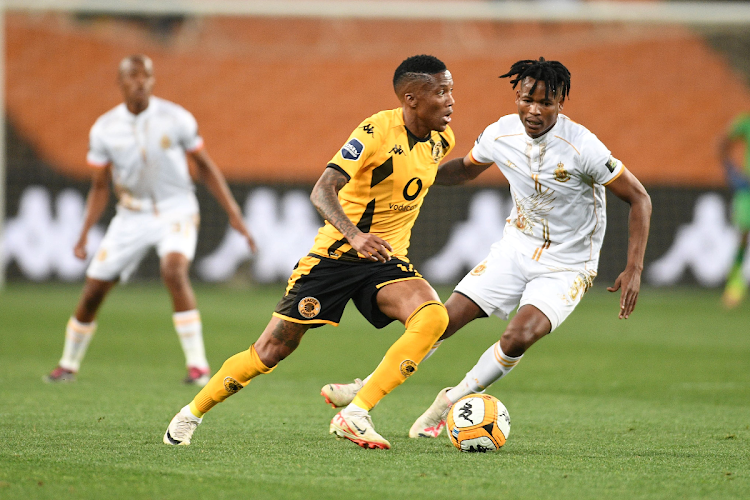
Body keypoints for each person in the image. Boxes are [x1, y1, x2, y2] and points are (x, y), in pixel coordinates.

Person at [320, 57, 652, 439]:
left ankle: (450, 402)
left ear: (561, 103)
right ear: (517, 95)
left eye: (546, 102)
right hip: (515, 249)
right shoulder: (501, 133)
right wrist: (406, 175)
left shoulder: (583, 147)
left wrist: (634, 268)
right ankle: (366, 387)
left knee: (519, 336)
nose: (534, 110)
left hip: (568, 264)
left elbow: (639, 198)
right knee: (439, 322)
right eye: (527, 99)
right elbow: (463, 169)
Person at [162, 54, 455, 450]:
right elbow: (321, 189)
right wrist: (354, 235)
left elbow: (443, 173)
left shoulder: (442, 140)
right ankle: (189, 414)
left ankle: (355, 412)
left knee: (433, 317)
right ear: (411, 98)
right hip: (335, 258)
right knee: (272, 350)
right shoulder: (375, 131)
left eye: (451, 90)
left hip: (385, 261)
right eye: (441, 92)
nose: (451, 100)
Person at [44, 55, 256, 386]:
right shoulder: (104, 129)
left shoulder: (176, 118)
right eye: (133, 75)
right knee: (93, 292)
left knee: (173, 270)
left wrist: (233, 212)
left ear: (153, 81)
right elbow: (100, 186)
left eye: (146, 75)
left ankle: (198, 365)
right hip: (130, 216)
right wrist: (84, 233)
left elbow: (204, 166)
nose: (140, 81)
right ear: (121, 82)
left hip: (177, 209)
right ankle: (67, 364)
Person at [719, 113, 750, 308]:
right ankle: (735, 284)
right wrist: (731, 171)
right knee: (743, 236)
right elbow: (723, 142)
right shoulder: (746, 124)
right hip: (748, 191)